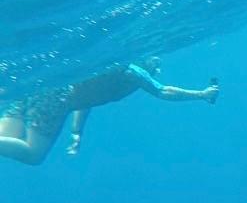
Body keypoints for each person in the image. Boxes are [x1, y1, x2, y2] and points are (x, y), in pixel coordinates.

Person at [0, 57, 219, 165]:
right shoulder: (133, 72)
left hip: (41, 88)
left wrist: (76, 133)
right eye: (156, 64)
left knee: (5, 139)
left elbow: (86, 100)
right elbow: (163, 92)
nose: (158, 69)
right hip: (56, 98)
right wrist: (201, 94)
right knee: (33, 154)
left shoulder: (112, 69)